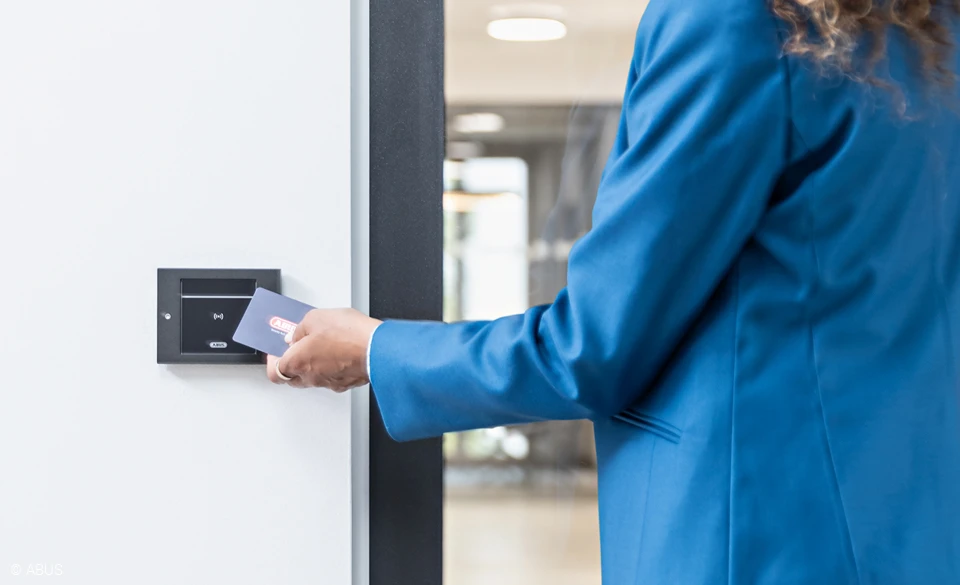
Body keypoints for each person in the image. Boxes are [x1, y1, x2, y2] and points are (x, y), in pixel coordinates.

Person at [267, 0, 960, 582]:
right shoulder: (926, 36)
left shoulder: (735, 21)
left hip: (749, 533)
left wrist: (377, 349)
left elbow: (592, 348)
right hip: (907, 521)